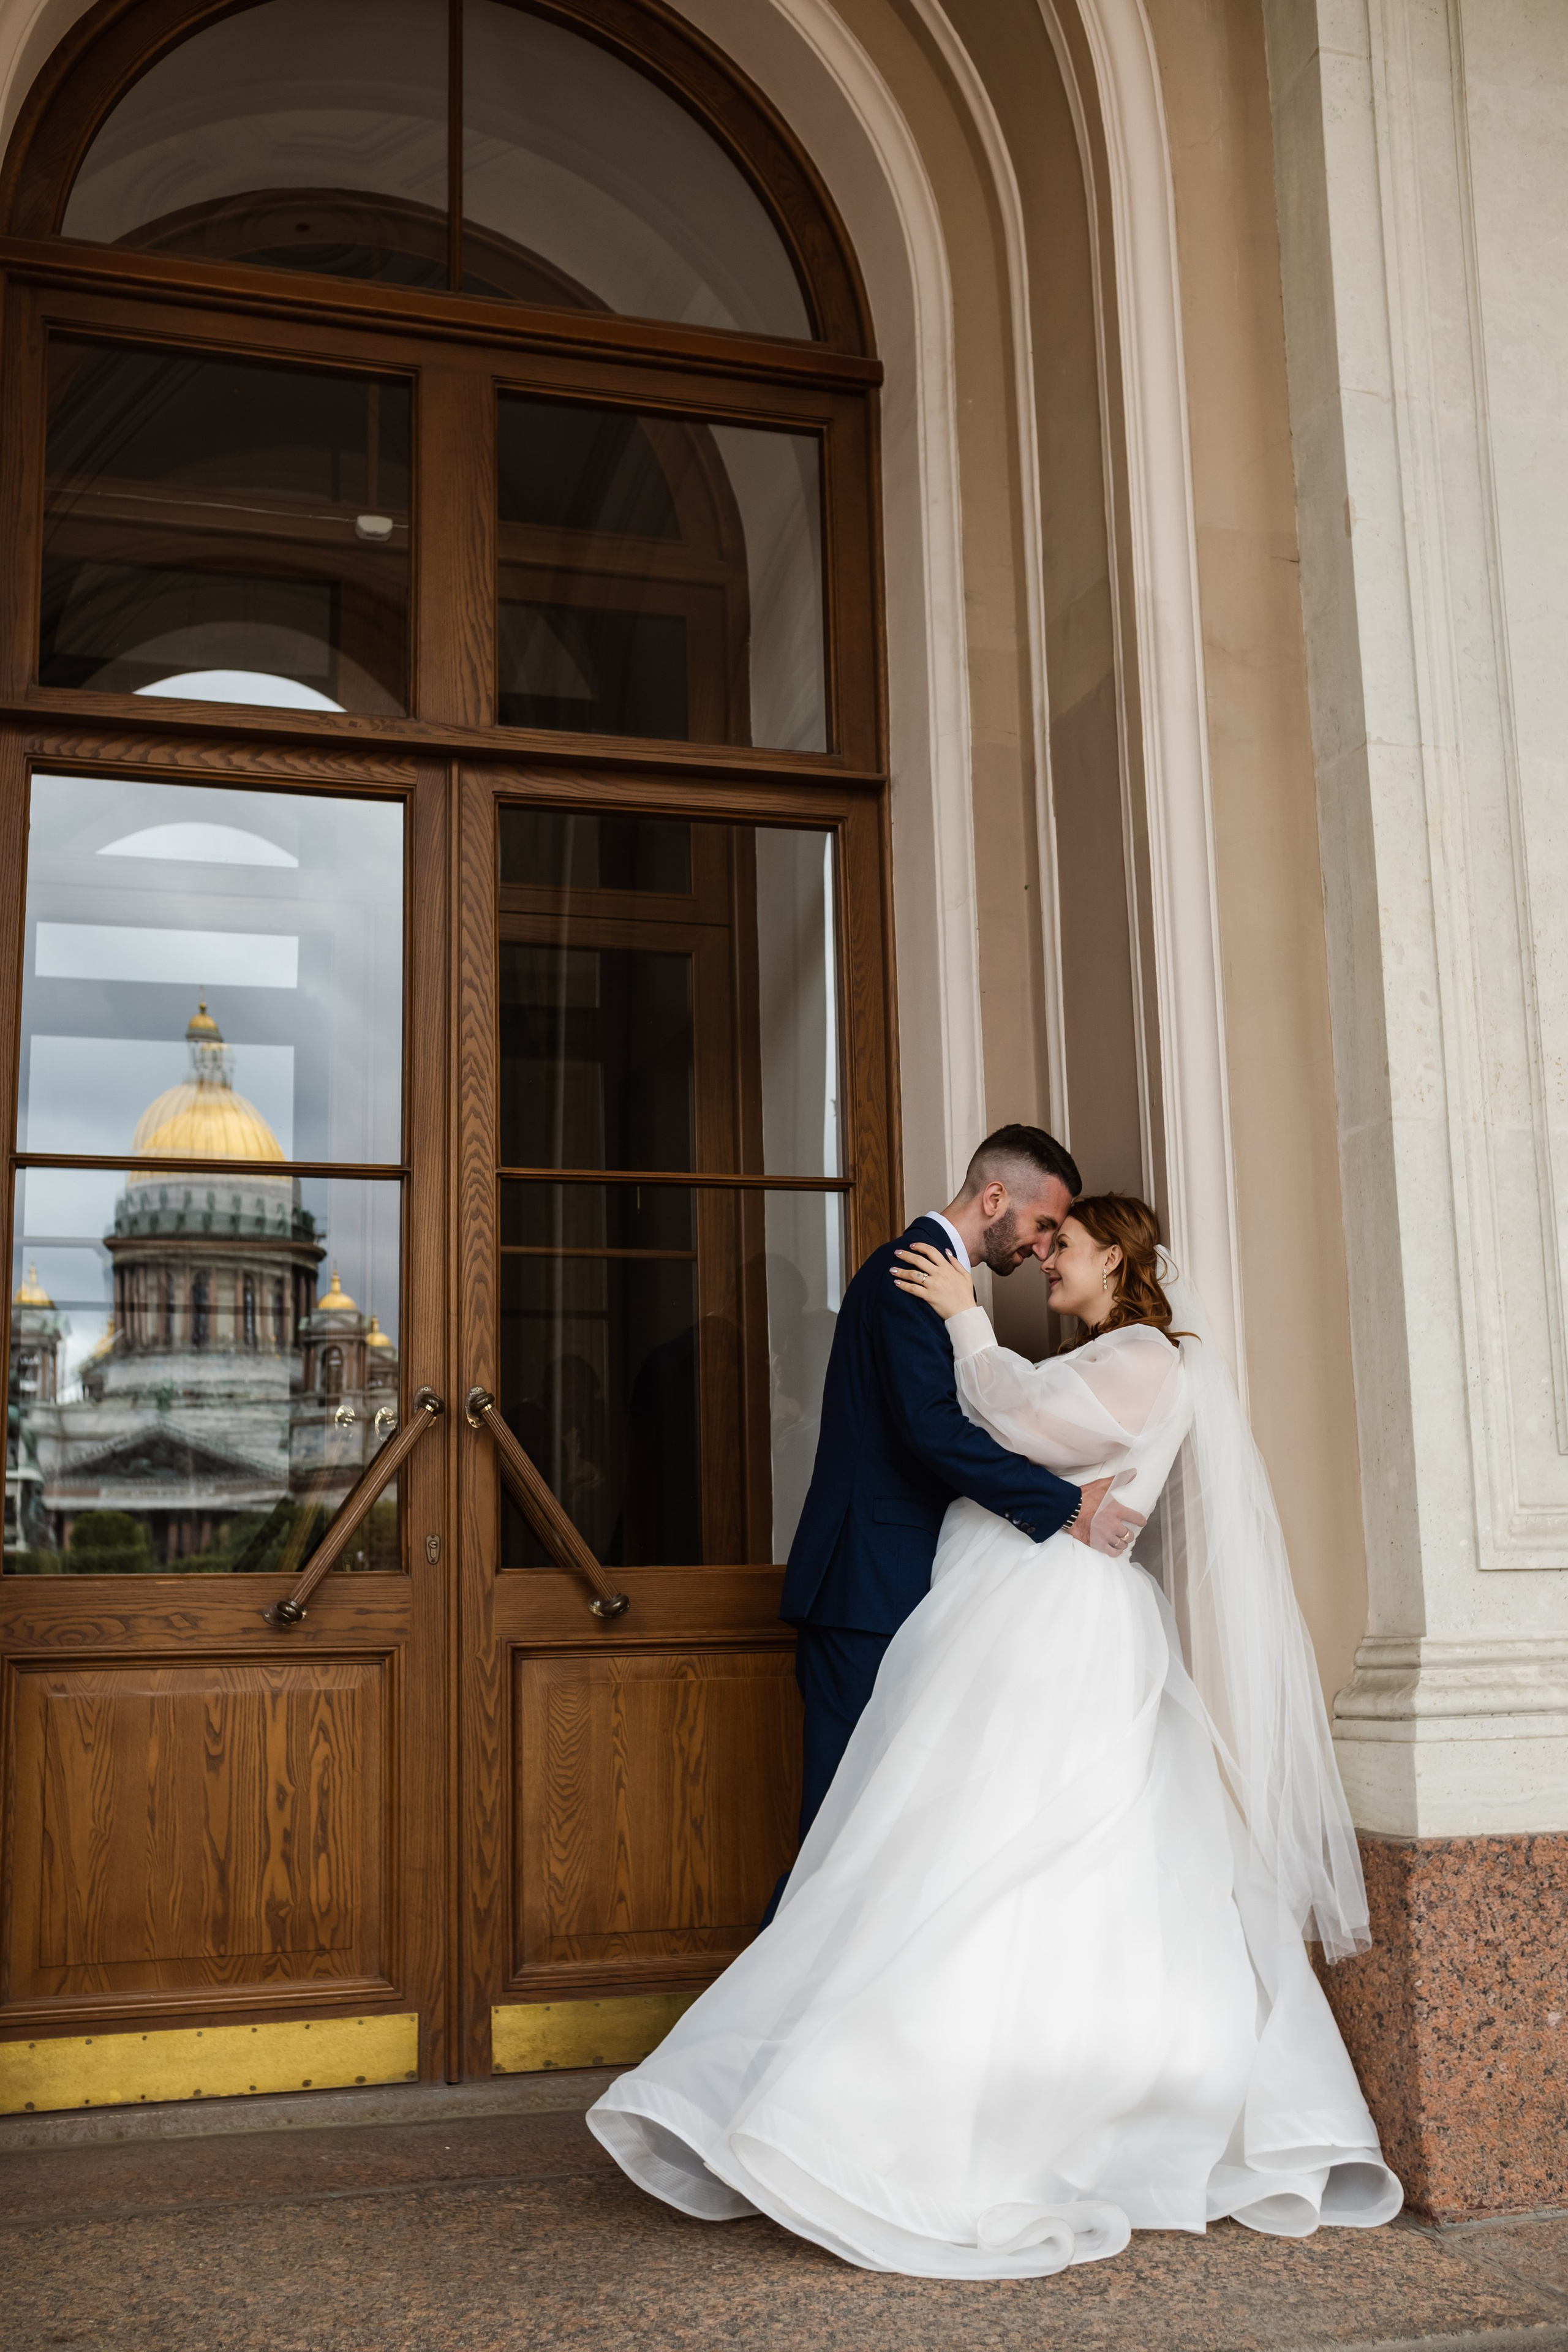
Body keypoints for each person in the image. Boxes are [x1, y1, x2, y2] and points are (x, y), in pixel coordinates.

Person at [589, 1193, 1401, 2277]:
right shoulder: (1120, 1353)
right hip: (1020, 1612)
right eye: (1041, 1242)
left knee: (1012, 1845)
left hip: (1055, 1622)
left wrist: (968, 1319)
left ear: (1117, 1254)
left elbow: (1011, 1423)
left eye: (1062, 1246)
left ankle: (1016, 2112)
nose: (1042, 1260)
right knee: (967, 1841)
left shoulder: (1148, 1357)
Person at [776, 1124, 1144, 1855]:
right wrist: (1067, 1507)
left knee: (876, 1827)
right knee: (840, 1831)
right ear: (995, 1197)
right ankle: (790, 1972)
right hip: (865, 1587)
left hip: (890, 1584)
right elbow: (932, 1430)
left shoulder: (937, 1281)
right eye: (1042, 1227)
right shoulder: (908, 1273)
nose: (1042, 1247)